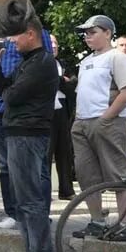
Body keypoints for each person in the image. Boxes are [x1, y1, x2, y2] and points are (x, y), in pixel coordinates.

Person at [0, 20, 59, 252]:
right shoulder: (28, 62)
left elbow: (11, 96)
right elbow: (3, 89)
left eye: (16, 36)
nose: (11, 40)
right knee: (24, 199)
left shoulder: (42, 63)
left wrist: (6, 94)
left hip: (28, 135)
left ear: (31, 34)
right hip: (18, 133)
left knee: (30, 199)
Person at [70, 14, 126, 240]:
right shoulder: (87, 60)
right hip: (83, 122)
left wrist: (106, 118)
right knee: (86, 175)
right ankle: (97, 221)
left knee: (118, 174)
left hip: (108, 122)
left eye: (93, 31)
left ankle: (124, 226)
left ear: (108, 33)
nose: (88, 36)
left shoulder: (117, 57)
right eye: (86, 33)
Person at [49, 34, 77, 200]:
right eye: (50, 43)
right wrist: (62, 81)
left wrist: (63, 82)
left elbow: (73, 84)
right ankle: (44, 189)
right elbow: (54, 81)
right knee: (47, 150)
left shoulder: (64, 63)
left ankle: (66, 190)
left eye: (56, 43)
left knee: (65, 150)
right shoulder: (42, 63)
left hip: (64, 110)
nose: (53, 46)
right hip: (48, 110)